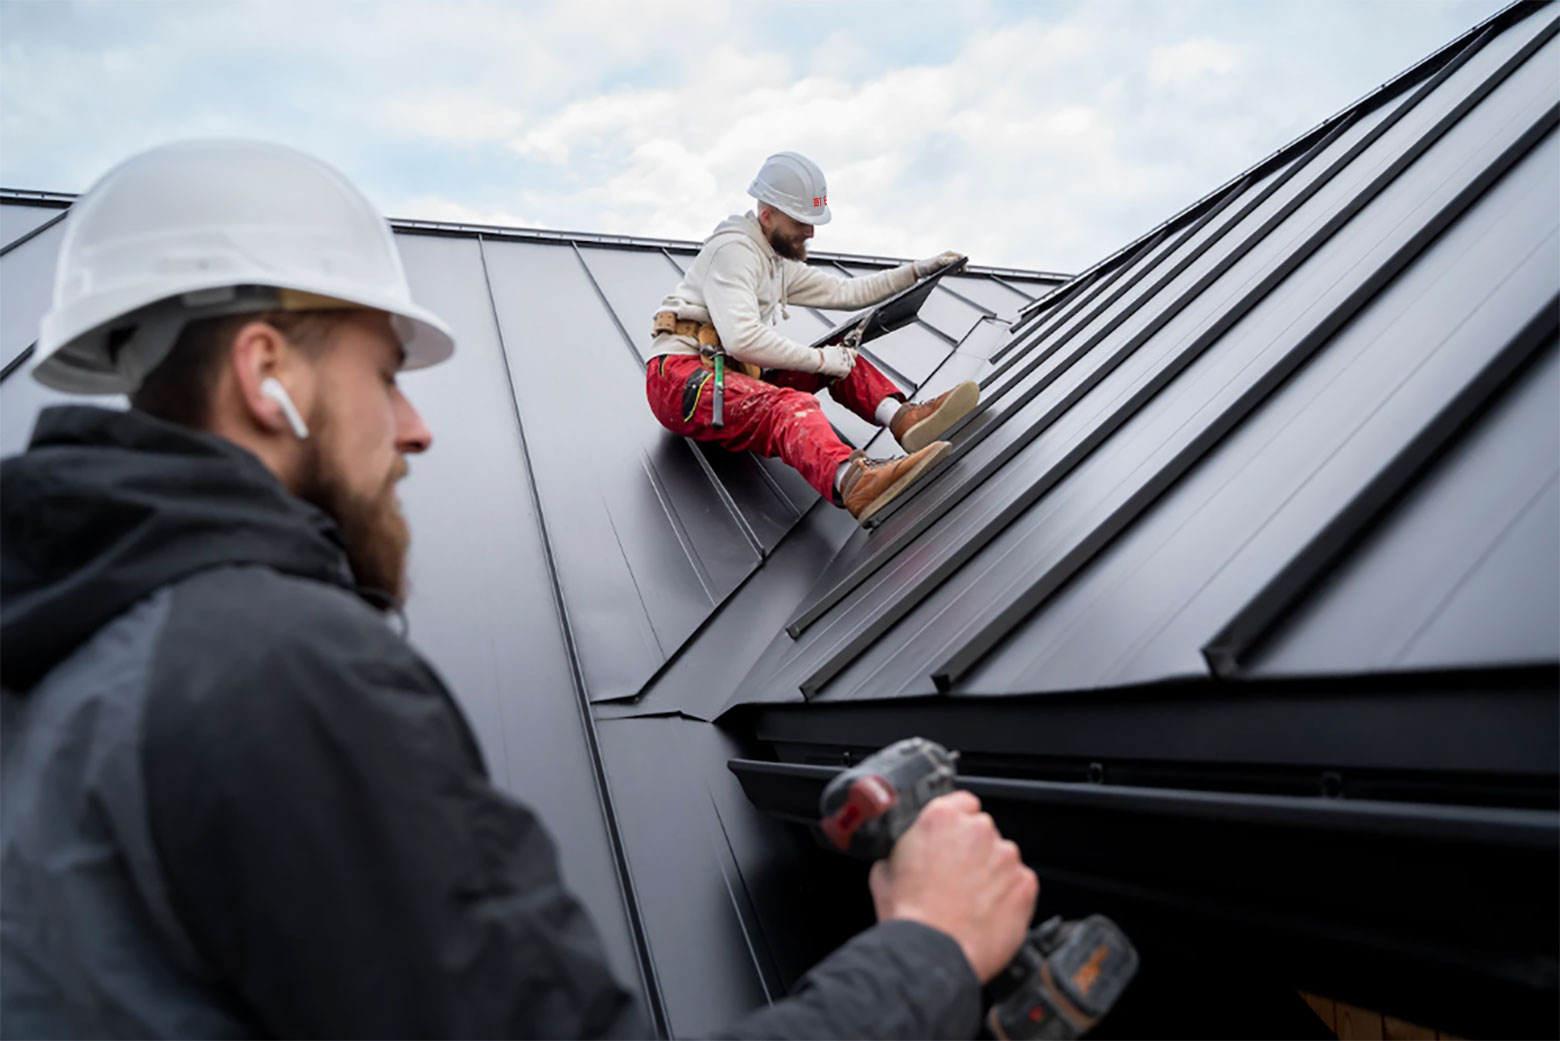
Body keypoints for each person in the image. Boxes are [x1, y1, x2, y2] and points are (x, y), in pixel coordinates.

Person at [0, 140, 1039, 1039]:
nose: (417, 428)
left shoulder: (71, 682)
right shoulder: (271, 670)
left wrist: (911, 274)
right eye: (385, 375)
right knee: (786, 404)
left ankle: (893, 430)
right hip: (709, 373)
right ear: (264, 375)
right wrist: (930, 952)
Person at [646, 151, 981, 525]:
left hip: (727, 377)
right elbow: (742, 340)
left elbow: (845, 293)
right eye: (801, 221)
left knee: (841, 358)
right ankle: (854, 481)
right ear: (767, 214)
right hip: (679, 380)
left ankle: (905, 420)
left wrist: (918, 271)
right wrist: (820, 361)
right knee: (787, 406)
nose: (810, 232)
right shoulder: (734, 253)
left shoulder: (773, 261)